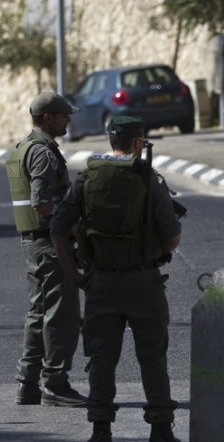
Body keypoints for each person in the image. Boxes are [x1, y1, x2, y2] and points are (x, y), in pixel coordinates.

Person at [50, 116, 182, 442]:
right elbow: (172, 237)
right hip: (144, 281)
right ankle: (161, 429)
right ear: (137, 143)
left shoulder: (85, 178)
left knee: (101, 359)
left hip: (101, 283)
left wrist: (76, 276)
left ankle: (100, 429)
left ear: (112, 141)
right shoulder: (149, 179)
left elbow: (57, 230)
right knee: (152, 357)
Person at [6, 92, 86, 407]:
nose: (68, 121)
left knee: (39, 313)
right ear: (48, 118)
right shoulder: (43, 153)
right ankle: (55, 383)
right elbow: (41, 202)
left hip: (34, 243)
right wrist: (69, 228)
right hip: (50, 244)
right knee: (61, 315)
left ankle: (28, 385)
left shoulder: (22, 148)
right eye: (65, 116)